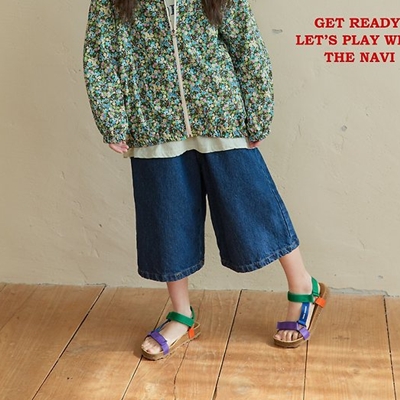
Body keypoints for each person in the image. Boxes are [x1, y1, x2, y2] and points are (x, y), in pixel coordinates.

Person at [83, 0, 329, 361]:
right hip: (153, 119)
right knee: (168, 218)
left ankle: (304, 286)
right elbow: (99, 53)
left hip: (220, 111)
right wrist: (112, 118)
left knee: (254, 204)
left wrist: (258, 110)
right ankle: (181, 314)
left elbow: (245, 41)